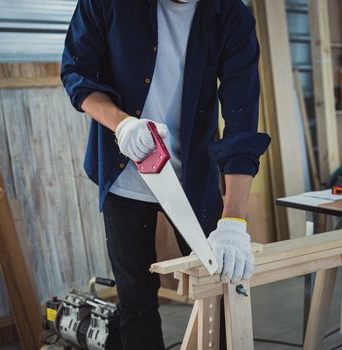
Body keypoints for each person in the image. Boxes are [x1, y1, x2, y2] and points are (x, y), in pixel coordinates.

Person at [61, 0, 270, 348]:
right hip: (123, 171)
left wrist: (234, 221)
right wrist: (122, 123)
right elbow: (76, 71)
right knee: (136, 302)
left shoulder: (231, 15)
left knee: (220, 291)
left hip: (194, 178)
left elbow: (241, 118)